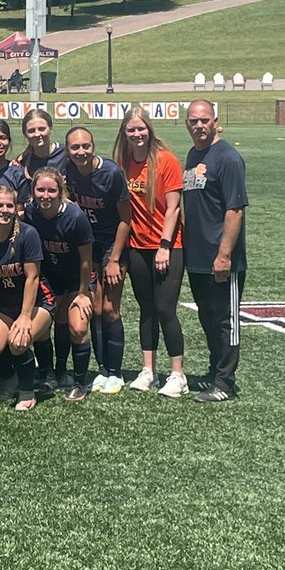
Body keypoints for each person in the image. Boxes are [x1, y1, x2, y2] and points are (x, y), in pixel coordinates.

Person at [112, 107, 187, 398]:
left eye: (141, 129)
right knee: (146, 309)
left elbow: (173, 207)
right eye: (131, 130)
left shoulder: (166, 160)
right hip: (137, 246)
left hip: (167, 247)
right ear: (125, 133)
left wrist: (164, 246)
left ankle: (177, 374)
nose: (136, 134)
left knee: (166, 308)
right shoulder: (123, 161)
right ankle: (148, 370)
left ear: (149, 130)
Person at [181, 100, 248, 402]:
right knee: (207, 318)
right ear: (187, 123)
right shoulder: (193, 155)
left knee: (225, 321)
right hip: (196, 258)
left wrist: (224, 256)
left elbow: (235, 210)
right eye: (194, 121)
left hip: (221, 258)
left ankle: (225, 382)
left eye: (204, 120)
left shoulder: (228, 158)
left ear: (215, 121)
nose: (199, 126)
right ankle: (213, 372)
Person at [63, 127, 131, 395]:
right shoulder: (68, 170)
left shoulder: (111, 173)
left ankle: (116, 372)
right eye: (75, 148)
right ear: (68, 150)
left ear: (94, 146)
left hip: (112, 247)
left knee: (110, 309)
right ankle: (102, 369)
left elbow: (126, 219)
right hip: (87, 247)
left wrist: (114, 259)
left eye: (86, 146)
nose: (81, 152)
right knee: (95, 308)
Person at [0, 184, 49, 412]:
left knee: (18, 342)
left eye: (9, 205)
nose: (4, 210)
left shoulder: (28, 233)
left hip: (37, 302)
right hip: (4, 304)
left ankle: (27, 390)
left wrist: (25, 317)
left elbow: (32, 278)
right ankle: (12, 376)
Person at [24, 168, 94, 402]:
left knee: (77, 326)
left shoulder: (75, 217)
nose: (45, 195)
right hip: (47, 278)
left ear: (61, 191)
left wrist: (84, 293)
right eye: (40, 189)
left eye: (51, 190)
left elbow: (86, 259)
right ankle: (49, 373)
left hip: (76, 279)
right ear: (33, 191)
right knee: (42, 327)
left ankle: (80, 381)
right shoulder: (31, 212)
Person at [15, 108, 67, 204]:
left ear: (50, 128)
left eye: (42, 129)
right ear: (25, 134)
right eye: (31, 131)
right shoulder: (22, 162)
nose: (37, 134)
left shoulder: (66, 154)